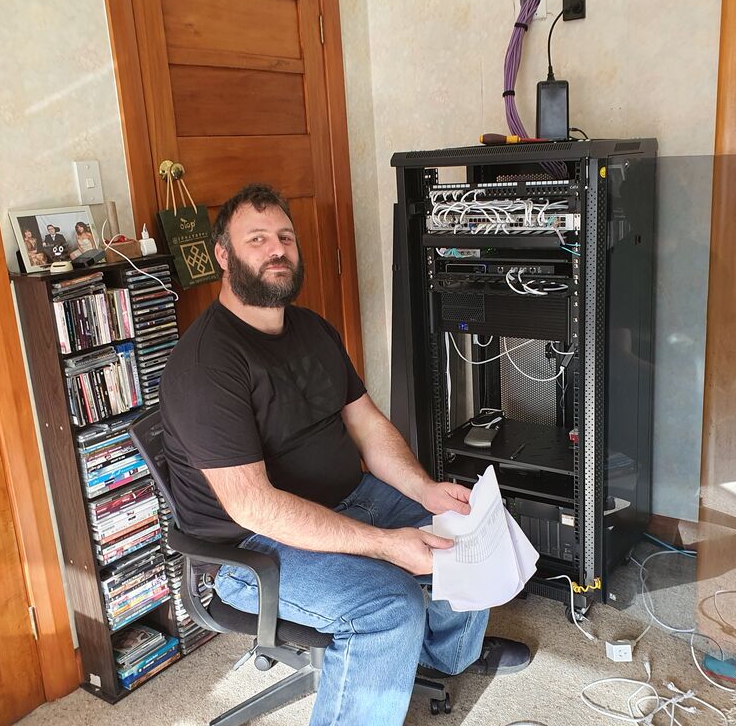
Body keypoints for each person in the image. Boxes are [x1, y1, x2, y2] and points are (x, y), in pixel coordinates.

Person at [160, 183, 530, 726]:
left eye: (284, 236)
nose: (276, 249)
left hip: (351, 498)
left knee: (465, 520)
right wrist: (384, 546)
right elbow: (254, 507)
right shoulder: (206, 366)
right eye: (256, 239)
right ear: (224, 255)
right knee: (390, 609)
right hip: (252, 550)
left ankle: (448, 656)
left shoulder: (312, 329)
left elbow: (367, 425)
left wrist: (425, 491)